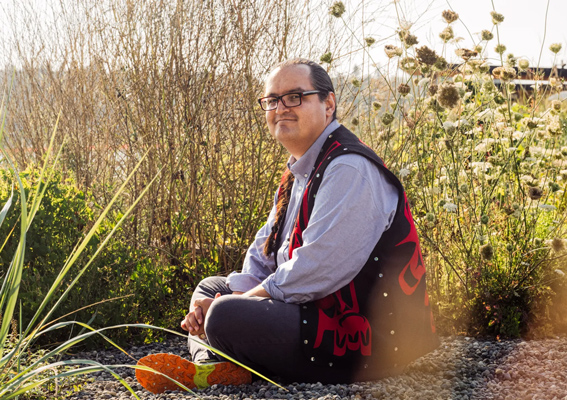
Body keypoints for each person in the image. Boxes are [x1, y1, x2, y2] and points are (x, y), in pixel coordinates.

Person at [135, 58, 439, 394]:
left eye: (295, 97)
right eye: (272, 100)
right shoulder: (299, 173)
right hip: (315, 312)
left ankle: (222, 357)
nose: (281, 108)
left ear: (328, 104)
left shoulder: (349, 168)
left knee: (223, 314)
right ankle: (214, 368)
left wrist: (238, 303)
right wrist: (230, 296)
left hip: (366, 337)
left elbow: (318, 267)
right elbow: (264, 256)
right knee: (210, 290)